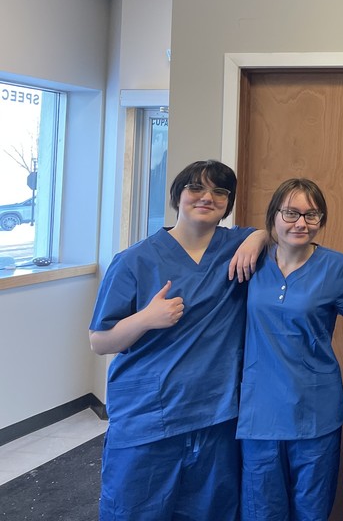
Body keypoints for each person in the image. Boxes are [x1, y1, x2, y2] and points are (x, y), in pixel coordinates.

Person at [89, 159, 266, 521]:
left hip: (214, 416)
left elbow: (277, 231)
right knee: (136, 510)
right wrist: (146, 318)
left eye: (220, 192)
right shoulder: (134, 261)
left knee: (210, 511)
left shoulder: (235, 248)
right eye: (196, 189)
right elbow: (100, 341)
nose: (207, 197)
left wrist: (257, 237)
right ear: (177, 196)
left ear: (228, 203)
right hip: (148, 418)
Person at [235, 178, 343, 521]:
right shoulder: (252, 260)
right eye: (290, 213)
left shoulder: (336, 269)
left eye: (312, 215)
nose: (301, 223)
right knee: (262, 511)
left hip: (315, 412)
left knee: (312, 511)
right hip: (259, 411)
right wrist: (256, 236)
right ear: (274, 215)